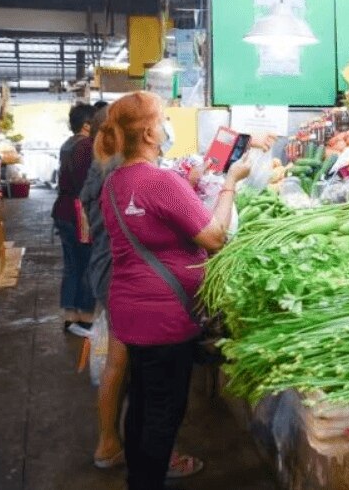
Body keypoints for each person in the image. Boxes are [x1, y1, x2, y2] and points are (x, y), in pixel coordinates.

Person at [95, 92, 249, 490]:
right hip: (164, 317)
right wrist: (230, 182)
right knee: (164, 410)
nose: (167, 125)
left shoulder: (115, 182)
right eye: (164, 118)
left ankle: (138, 477)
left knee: (143, 401)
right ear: (149, 131)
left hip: (130, 312)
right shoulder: (161, 181)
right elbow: (215, 237)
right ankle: (147, 480)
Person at [53, 102, 98, 336]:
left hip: (63, 210)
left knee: (72, 266)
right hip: (78, 212)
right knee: (88, 265)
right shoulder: (86, 147)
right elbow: (86, 185)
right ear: (87, 125)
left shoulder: (67, 145)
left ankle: (70, 318)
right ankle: (86, 318)